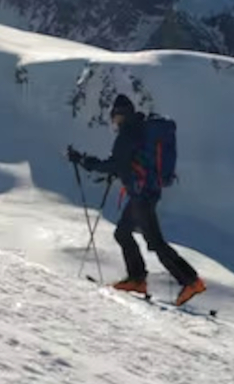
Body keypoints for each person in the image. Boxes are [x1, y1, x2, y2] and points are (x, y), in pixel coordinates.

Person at [67, 94, 206, 307]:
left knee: (154, 241)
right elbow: (127, 163)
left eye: (114, 116)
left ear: (120, 115)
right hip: (145, 192)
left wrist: (83, 160)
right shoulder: (139, 129)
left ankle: (190, 281)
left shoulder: (128, 134)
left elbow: (113, 164)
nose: (113, 121)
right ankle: (137, 279)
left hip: (142, 196)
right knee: (123, 232)